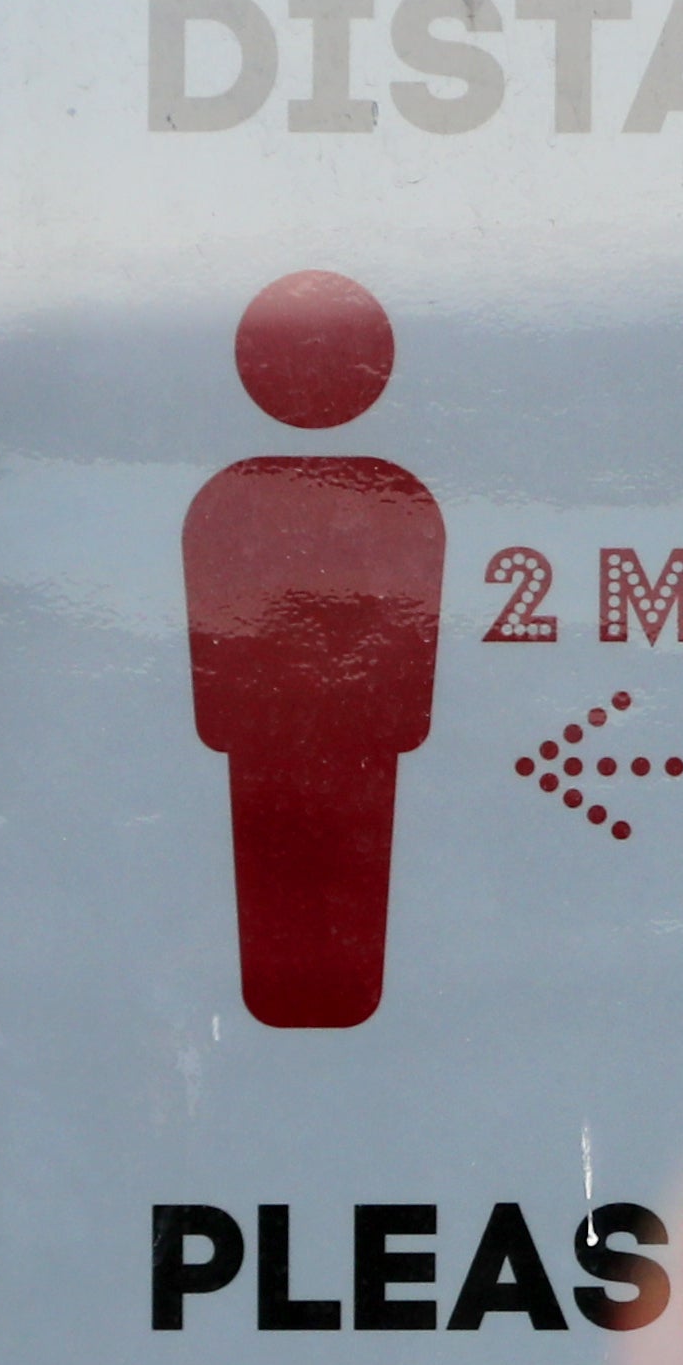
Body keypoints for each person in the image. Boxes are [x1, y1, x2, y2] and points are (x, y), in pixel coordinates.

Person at [185, 270, 445, 1026]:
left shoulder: (226, 499)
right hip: (338, 747)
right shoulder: (398, 498)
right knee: (308, 913)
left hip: (291, 748)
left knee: (297, 909)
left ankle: (309, 1008)